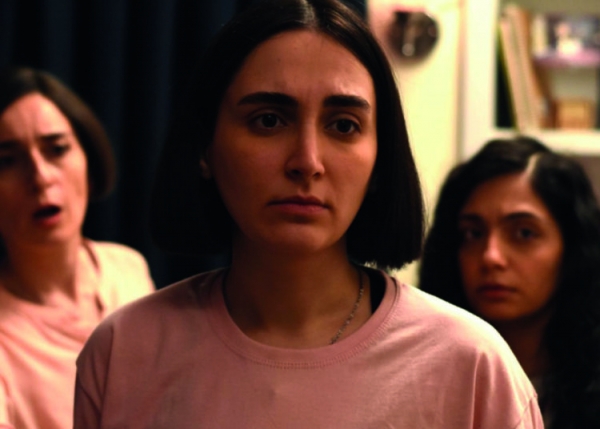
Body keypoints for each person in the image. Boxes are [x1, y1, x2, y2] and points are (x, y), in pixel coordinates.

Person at [73, 1, 543, 427]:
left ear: (380, 158)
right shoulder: (124, 351)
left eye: (343, 125)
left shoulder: (470, 365)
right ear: (205, 147)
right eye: (269, 120)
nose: (307, 161)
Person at [0, 66, 155, 429]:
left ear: (88, 158)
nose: (40, 177)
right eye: (7, 160)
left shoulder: (126, 267)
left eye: (56, 149)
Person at [419, 135, 600, 428]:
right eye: (473, 234)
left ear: (572, 248)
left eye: (524, 233)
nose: (491, 257)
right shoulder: (420, 376)